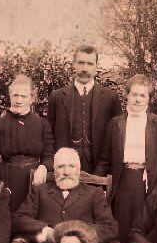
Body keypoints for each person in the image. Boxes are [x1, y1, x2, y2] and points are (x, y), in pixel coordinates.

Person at [94, 74, 157, 243]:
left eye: (142, 95)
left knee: (145, 225)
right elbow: (104, 159)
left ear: (149, 99)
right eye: (134, 94)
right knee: (122, 225)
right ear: (127, 95)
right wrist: (94, 187)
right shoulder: (115, 124)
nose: (138, 99)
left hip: (149, 183)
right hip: (123, 180)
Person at [12, 147, 119, 243]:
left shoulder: (94, 193)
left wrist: (81, 234)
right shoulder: (39, 191)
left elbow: (110, 227)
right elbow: (19, 219)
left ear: (78, 170)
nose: (66, 172)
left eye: (71, 166)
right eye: (61, 166)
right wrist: (45, 231)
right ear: (54, 170)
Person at [47, 44, 122, 173]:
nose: (85, 68)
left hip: (99, 169)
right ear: (74, 64)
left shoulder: (110, 98)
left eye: (90, 64)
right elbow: (49, 136)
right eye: (81, 63)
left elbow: (117, 137)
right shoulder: (57, 97)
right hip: (65, 167)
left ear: (96, 66)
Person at [0, 74, 54, 210]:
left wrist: (44, 167)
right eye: (15, 95)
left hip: (34, 179)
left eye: (23, 96)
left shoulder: (42, 124)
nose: (18, 100)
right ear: (10, 96)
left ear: (31, 98)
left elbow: (49, 155)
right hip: (7, 178)